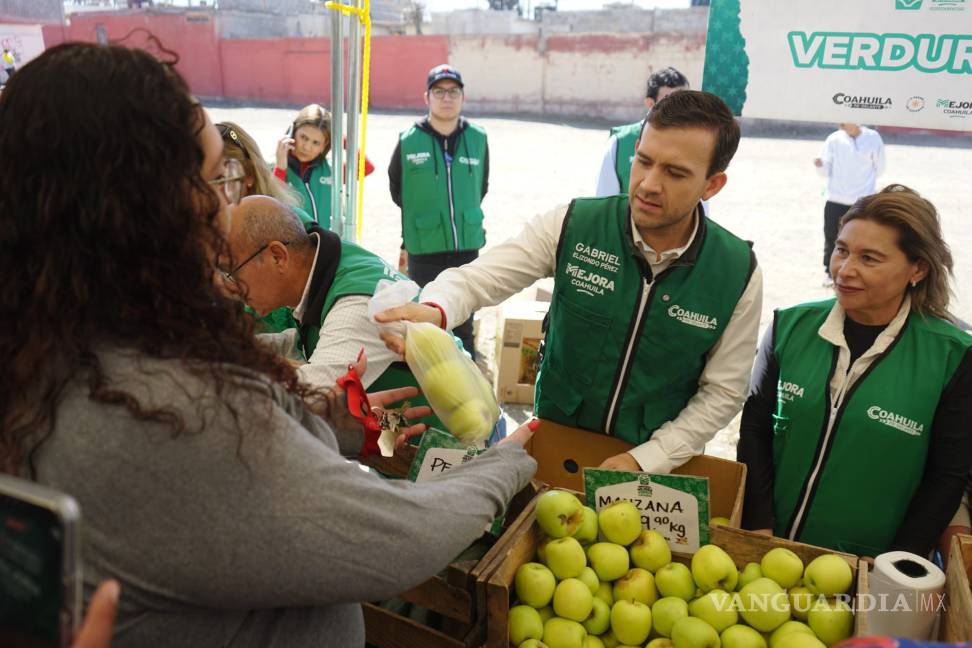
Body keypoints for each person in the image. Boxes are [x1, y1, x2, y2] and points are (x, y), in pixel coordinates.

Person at [0, 42, 537, 647]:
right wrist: (503, 469)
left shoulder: (46, 351)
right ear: (144, 208)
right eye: (211, 181)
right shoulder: (180, 413)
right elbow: (387, 541)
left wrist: (333, 427)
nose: (223, 212)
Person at [378, 90, 763, 475]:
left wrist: (647, 459)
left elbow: (723, 392)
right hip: (553, 447)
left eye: (675, 173)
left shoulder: (736, 272)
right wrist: (436, 307)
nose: (648, 184)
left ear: (712, 184)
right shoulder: (575, 224)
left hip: (655, 469)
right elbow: (482, 277)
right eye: (642, 161)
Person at [737, 185, 972, 558]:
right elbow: (755, 430)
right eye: (841, 250)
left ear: (918, 269)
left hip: (873, 564)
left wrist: (897, 564)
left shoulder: (953, 357)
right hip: (771, 548)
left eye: (870, 258)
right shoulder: (789, 327)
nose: (845, 270)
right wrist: (758, 523)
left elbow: (946, 476)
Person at [388, 63, 489, 359]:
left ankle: (467, 368)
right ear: (427, 97)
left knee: (464, 314)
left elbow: (481, 185)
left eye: (453, 91)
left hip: (466, 243)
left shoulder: (478, 138)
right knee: (427, 315)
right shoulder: (409, 140)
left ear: (463, 97)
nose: (447, 97)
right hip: (424, 244)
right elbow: (397, 189)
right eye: (439, 91)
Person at [594, 66, 689, 197]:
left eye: (685, 100)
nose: (680, 108)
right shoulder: (619, 143)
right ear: (650, 103)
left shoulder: (695, 145)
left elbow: (700, 206)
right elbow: (605, 200)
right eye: (670, 100)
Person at [814, 123, 886, 287]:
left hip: (863, 200)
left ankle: (863, 273)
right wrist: (819, 165)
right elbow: (824, 170)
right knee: (831, 235)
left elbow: (880, 168)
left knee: (863, 239)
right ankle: (830, 273)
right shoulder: (834, 138)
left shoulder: (873, 138)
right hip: (835, 198)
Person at [217, 120, 302, 208]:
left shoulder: (290, 219)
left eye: (220, 178)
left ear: (250, 174)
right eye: (201, 179)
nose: (207, 190)